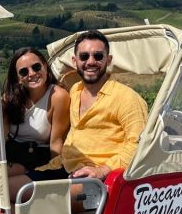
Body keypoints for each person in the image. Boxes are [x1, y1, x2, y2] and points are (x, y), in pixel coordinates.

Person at [16, 30, 148, 187]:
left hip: (100, 179)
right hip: (65, 167)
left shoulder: (127, 98)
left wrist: (103, 170)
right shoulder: (74, 91)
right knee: (9, 189)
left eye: (98, 56)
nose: (91, 61)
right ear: (74, 61)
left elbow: (139, 145)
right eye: (84, 56)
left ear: (109, 60)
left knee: (47, 201)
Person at [0, 47, 69, 174]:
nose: (32, 74)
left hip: (37, 160)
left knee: (3, 182)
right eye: (24, 72)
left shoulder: (58, 96)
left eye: (36, 67)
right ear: (18, 78)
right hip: (11, 155)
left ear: (45, 66)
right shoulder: (9, 99)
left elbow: (56, 142)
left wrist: (55, 173)